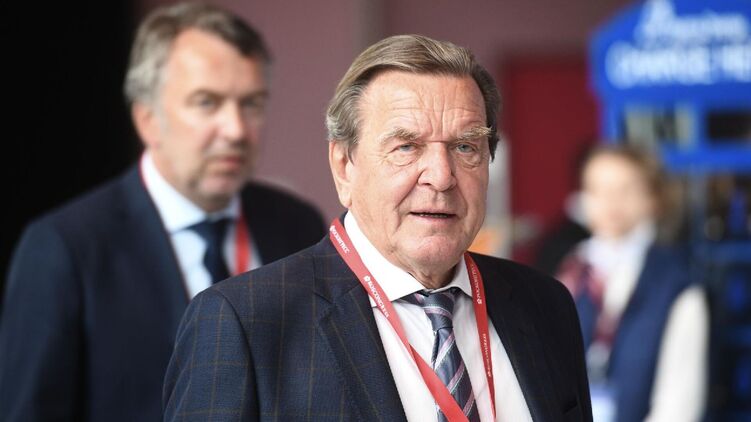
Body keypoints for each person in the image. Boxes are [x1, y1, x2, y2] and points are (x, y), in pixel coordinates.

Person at [164, 34, 592, 421]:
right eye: (406, 147)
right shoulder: (244, 323)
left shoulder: (545, 305)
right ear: (344, 166)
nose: (441, 177)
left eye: (465, 147)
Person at [0, 3, 325, 421]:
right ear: (147, 119)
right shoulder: (66, 248)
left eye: (252, 103)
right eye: (207, 102)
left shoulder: (297, 225)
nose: (236, 130)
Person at [555, 145, 708, 422]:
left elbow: (679, 405)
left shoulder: (678, 285)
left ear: (653, 198)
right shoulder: (572, 270)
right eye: (597, 189)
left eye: (625, 190)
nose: (610, 202)